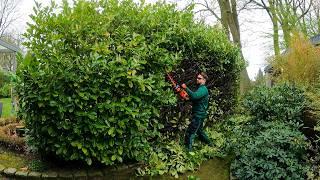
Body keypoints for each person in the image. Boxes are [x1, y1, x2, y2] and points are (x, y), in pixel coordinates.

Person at [181, 72, 212, 152]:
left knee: (190, 132)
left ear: (204, 80)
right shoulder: (201, 89)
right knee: (199, 131)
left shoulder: (203, 89)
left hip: (198, 115)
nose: (197, 79)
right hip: (201, 114)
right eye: (197, 78)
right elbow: (196, 99)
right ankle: (210, 143)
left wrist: (186, 88)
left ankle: (188, 150)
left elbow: (195, 96)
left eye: (199, 78)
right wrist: (187, 98)